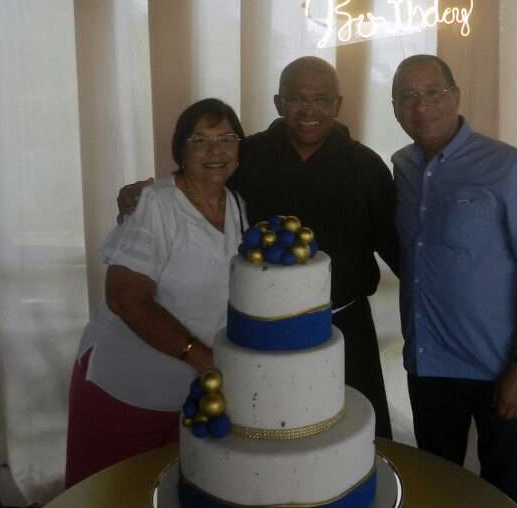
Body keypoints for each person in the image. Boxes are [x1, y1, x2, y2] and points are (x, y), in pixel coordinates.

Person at [118, 57, 399, 438]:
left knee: (352, 435)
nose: (309, 110)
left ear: (338, 104)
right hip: (260, 327)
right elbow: (196, 189)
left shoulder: (367, 167)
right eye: (297, 98)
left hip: (344, 326)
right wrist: (142, 196)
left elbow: (396, 247)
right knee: (266, 437)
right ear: (278, 103)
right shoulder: (246, 155)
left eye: (321, 99)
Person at [390, 54, 517, 508]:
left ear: (455, 96)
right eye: (407, 96)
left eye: (433, 92)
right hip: (429, 364)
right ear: (395, 108)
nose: (421, 105)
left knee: (504, 497)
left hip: (499, 365)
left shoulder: (509, 167)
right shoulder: (402, 166)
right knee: (438, 491)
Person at [65, 99, 247, 488]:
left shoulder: (239, 206)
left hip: (189, 395)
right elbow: (125, 299)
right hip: (127, 386)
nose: (215, 150)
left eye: (226, 139)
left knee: (167, 501)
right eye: (200, 140)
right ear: (181, 149)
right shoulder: (158, 203)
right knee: (108, 501)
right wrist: (204, 358)